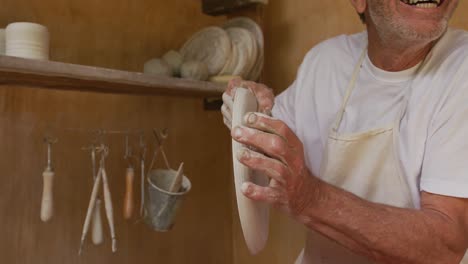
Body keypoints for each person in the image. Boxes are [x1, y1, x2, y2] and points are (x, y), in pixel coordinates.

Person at [221, 0, 468, 263]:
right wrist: (254, 113)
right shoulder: (325, 62)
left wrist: (310, 199)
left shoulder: (461, 68)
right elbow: (268, 158)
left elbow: (445, 245)